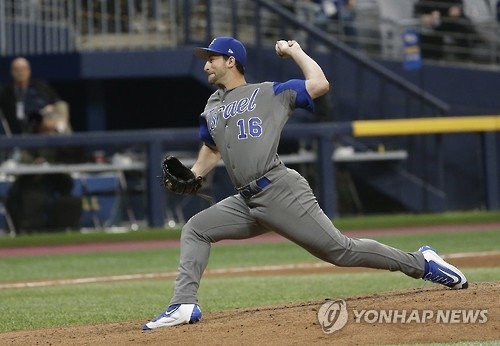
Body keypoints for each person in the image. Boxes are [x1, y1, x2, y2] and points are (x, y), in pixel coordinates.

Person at [143, 36, 468, 330]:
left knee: (341, 251)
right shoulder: (212, 106)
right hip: (246, 201)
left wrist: (295, 51)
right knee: (196, 229)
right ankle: (184, 304)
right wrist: (196, 174)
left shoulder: (268, 92)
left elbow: (319, 84)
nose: (205, 65)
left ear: (230, 61)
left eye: (211, 58)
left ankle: (421, 263)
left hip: (279, 189)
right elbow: (211, 149)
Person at [0, 57, 81, 233]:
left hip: (56, 175)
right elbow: (25, 161)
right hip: (28, 167)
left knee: (67, 196)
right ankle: (28, 228)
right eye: (17, 69)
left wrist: (58, 122)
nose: (21, 73)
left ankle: (63, 228)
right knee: (31, 195)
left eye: (24, 69)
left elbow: (71, 160)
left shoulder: (40, 88)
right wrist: (36, 162)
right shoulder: (6, 93)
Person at [414, 0, 483, 60]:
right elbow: (418, 8)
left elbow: (459, 3)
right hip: (434, 31)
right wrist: (423, 16)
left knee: (464, 30)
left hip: (454, 23)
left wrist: (456, 8)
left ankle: (468, 53)